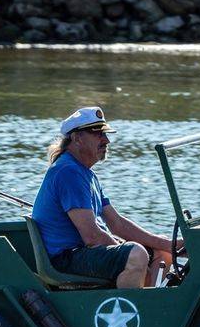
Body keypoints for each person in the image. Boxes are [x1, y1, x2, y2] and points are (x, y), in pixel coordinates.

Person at [32, 106, 180, 289]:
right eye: (98, 134)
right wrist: (129, 251)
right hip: (66, 258)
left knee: (163, 253)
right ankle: (132, 312)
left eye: (105, 134)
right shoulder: (68, 172)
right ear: (77, 138)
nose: (106, 140)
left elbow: (117, 223)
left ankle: (152, 304)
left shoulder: (86, 173)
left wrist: (167, 244)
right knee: (136, 255)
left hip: (82, 253)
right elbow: (92, 237)